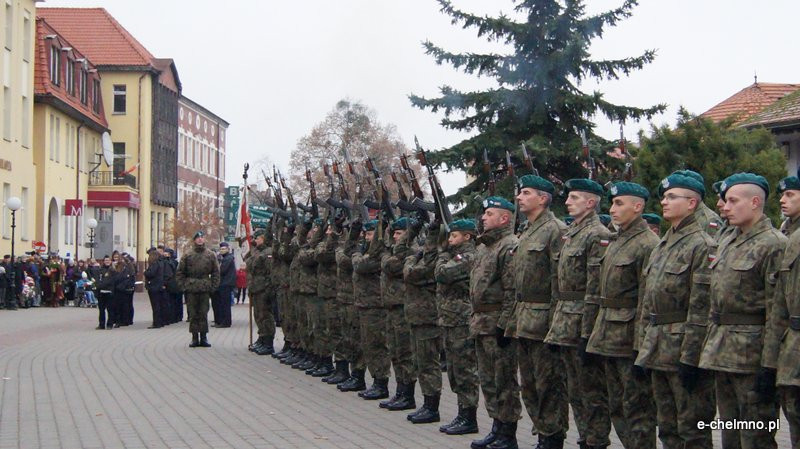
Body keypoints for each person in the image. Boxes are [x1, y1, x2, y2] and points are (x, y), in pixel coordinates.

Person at [699, 173, 785, 448]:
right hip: (722, 351)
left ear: (755, 202)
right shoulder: (728, 241)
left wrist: (770, 365)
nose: (725, 206)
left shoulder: (774, 244)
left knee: (755, 437)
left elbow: (777, 311)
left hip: (752, 356)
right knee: (730, 435)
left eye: (733, 201)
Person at [635, 173, 716, 449]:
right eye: (664, 196)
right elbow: (648, 302)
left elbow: (701, 308)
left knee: (692, 430)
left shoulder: (702, 245)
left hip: (682, 348)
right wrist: (643, 348)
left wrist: (691, 358)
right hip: (658, 348)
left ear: (692, 203)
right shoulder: (663, 245)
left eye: (672, 197)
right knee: (667, 427)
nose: (664, 202)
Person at [587, 181, 659, 449]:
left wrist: (642, 348)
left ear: (638, 207)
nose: (612, 209)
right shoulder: (616, 241)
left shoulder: (648, 244)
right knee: (617, 405)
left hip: (630, 339)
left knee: (637, 409)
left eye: (619, 203)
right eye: (612, 203)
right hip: (608, 336)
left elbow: (646, 300)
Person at [544, 178, 611, 449]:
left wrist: (588, 333)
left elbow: (595, 288)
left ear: (591, 202)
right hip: (565, 322)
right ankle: (585, 438)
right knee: (576, 392)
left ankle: (595, 442)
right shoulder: (573, 233)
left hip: (583, 321)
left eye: (574, 198)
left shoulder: (598, 234)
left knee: (592, 393)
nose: (568, 202)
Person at [505, 175, 569, 449]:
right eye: (520, 193)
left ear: (542, 198)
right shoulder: (527, 231)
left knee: (549, 387)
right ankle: (542, 433)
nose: (519, 198)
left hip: (544, 322)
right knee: (529, 386)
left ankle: (553, 438)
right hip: (524, 321)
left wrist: (557, 327)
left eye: (526, 193)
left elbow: (559, 281)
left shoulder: (555, 230)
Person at [469, 196, 521, 449]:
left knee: (504, 381)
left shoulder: (509, 245)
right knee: (488, 380)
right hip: (481, 322)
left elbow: (512, 290)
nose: (483, 217)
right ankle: (496, 427)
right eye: (484, 213)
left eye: (489, 214)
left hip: (497, 323)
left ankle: (508, 433)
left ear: (504, 218)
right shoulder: (484, 247)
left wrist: (505, 324)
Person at [764, 170, 800, 449]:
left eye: (790, 194)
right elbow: (779, 303)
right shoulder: (790, 236)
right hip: (792, 346)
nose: (782, 200)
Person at [435, 219, 481, 436]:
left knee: (465, 371)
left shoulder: (469, 256)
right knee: (454, 370)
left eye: (454, 236)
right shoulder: (455, 256)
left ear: (467, 237)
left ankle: (469, 416)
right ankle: (462, 413)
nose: (450, 240)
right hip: (450, 320)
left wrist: (443, 253)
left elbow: (442, 273)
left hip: (462, 321)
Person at [403, 217, 443, 424]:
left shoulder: (432, 261)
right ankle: (427, 404)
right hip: (418, 317)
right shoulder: (426, 257)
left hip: (428, 318)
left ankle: (432, 407)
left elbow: (411, 271)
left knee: (428, 364)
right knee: (420, 363)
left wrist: (413, 259)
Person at [379, 218, 417, 411]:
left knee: (405, 352)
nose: (395, 237)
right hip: (391, 307)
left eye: (400, 233)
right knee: (395, 351)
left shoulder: (411, 251)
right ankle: (401, 391)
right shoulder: (394, 251)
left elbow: (391, 266)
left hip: (403, 307)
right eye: (393, 233)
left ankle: (408, 394)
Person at [351, 219, 391, 400]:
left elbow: (360, 265)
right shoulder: (369, 253)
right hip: (365, 304)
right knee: (367, 345)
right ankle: (375, 381)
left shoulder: (380, 254)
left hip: (376, 306)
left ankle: (381, 383)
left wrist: (357, 254)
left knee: (377, 346)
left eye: (370, 234)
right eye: (365, 234)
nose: (367, 238)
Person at [176, 231, 221, 348]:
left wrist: (213, 287)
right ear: (194, 240)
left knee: (203, 312)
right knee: (193, 313)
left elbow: (216, 272)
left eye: (202, 237)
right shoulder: (187, 255)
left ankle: (204, 337)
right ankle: (194, 337)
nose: (200, 240)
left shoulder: (210, 255)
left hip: (205, 287)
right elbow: (180, 272)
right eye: (198, 238)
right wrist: (183, 286)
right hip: (191, 288)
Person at [245, 228, 276, 355]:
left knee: (265, 316)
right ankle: (262, 338)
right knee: (258, 315)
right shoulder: (257, 251)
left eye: (257, 238)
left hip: (263, 288)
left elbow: (270, 273)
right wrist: (252, 247)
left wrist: (269, 289)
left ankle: (268, 342)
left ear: (263, 238)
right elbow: (247, 261)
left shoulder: (268, 252)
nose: (255, 240)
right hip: (255, 288)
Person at [214, 241, 235, 328]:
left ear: (228, 249)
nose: (222, 250)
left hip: (225, 284)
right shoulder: (225, 258)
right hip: (224, 283)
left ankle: (225, 322)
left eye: (224, 249)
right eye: (221, 249)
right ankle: (223, 321)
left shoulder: (228, 258)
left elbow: (222, 270)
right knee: (222, 304)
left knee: (225, 304)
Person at [144, 247, 165, 328]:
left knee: (155, 306)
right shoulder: (160, 263)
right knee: (159, 305)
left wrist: (145, 272)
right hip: (158, 286)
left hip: (154, 287)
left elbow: (151, 273)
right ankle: (160, 322)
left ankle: (156, 323)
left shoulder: (154, 264)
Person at [95, 256, 115, 329]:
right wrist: (98, 287)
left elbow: (111, 281)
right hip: (101, 293)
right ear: (103, 261)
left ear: (110, 261)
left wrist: (102, 284)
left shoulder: (112, 270)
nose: (107, 261)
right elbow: (98, 280)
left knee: (110, 310)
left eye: (108, 260)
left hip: (109, 292)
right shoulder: (100, 270)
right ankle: (101, 324)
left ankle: (110, 324)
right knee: (101, 310)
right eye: (106, 260)